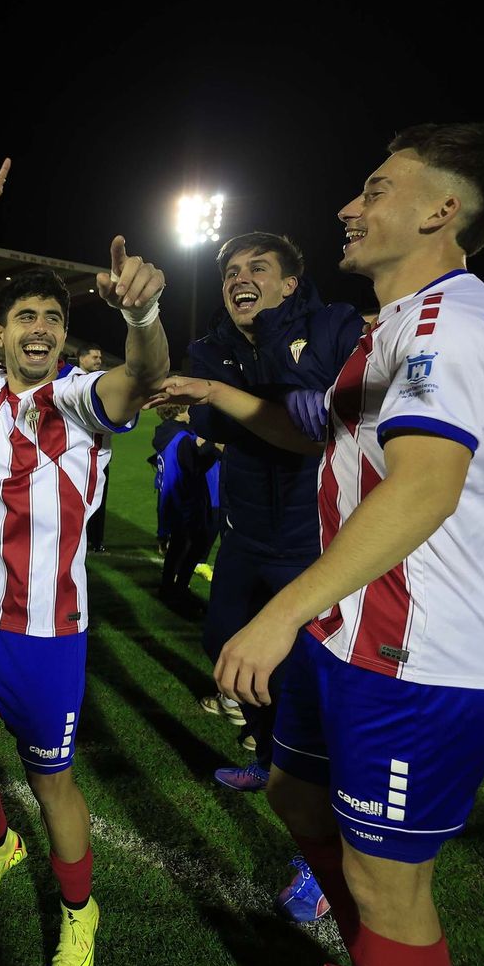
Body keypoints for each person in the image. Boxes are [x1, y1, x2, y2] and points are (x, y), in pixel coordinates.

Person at [151, 122, 484, 966]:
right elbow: (310, 432)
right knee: (294, 793)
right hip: (350, 632)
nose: (348, 207)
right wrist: (216, 393)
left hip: (414, 652)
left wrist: (280, 612)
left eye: (376, 189)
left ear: (441, 210)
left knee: (387, 881)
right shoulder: (391, 328)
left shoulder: (452, 321)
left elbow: (426, 486)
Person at [0, 159, 169, 966]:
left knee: (52, 778)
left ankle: (79, 909)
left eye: (53, 319)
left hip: (47, 635)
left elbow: (142, 377)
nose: (41, 329)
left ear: (63, 337)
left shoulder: (82, 401)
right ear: (1, 332)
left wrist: (143, 316)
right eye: (26, 316)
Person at [186, 231, 363, 801]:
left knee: (309, 672)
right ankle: (267, 755)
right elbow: (211, 423)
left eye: (257, 268)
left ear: (289, 284)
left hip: (315, 537)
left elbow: (341, 410)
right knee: (224, 645)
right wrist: (284, 403)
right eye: (231, 272)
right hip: (244, 534)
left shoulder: (333, 325)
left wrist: (253, 396)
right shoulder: (211, 347)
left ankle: (319, 784)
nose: (240, 278)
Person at [150, 404, 221, 606]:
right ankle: (177, 591)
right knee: (192, 547)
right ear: (182, 410)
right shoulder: (180, 438)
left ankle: (169, 589)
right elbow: (194, 468)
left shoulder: (169, 433)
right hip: (187, 503)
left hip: (177, 503)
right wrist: (214, 448)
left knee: (179, 548)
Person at [74, 345, 110, 551]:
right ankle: (80, 539)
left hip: (100, 453)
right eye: (95, 356)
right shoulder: (70, 380)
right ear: (82, 358)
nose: (99, 360)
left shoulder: (101, 381)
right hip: (77, 453)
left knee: (99, 498)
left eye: (100, 357)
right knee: (76, 500)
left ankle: (96, 541)